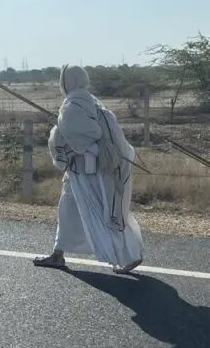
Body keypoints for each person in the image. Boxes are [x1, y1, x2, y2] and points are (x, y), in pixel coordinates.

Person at [33, 65, 144, 274]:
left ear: (67, 81)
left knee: (100, 213)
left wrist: (60, 129)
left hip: (87, 173)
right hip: (82, 172)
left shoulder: (72, 106)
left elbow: (89, 136)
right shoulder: (91, 102)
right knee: (68, 209)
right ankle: (58, 253)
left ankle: (129, 256)